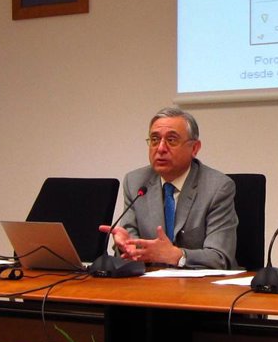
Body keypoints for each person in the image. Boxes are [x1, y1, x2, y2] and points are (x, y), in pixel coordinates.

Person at [100, 107, 237, 269]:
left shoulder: (217, 187)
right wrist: (125, 247)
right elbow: (132, 248)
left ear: (194, 148)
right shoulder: (135, 182)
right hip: (151, 282)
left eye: (171, 140)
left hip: (200, 283)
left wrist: (177, 256)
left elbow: (220, 257)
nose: (160, 148)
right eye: (155, 140)